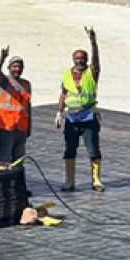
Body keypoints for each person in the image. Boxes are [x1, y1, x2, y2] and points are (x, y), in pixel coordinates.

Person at [55, 27, 102, 191]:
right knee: (69, 150)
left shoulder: (92, 72)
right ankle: (69, 181)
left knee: (93, 149)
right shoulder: (66, 75)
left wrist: (93, 42)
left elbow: (96, 61)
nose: (79, 60)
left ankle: (96, 180)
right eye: (77, 58)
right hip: (72, 119)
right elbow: (63, 94)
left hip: (89, 117)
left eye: (82, 58)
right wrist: (59, 113)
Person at [0, 46, 31, 164]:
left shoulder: (26, 84)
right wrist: (2, 58)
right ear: (9, 68)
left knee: (19, 161)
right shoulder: (4, 81)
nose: (17, 69)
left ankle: (17, 181)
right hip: (6, 128)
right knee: (4, 160)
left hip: (21, 129)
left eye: (20, 67)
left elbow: (28, 107)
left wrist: (29, 128)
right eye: (14, 66)